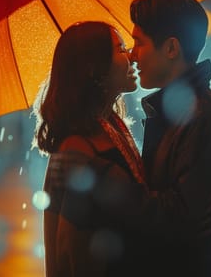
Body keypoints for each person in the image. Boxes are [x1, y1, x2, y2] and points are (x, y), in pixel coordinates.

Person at [127, 0, 211, 276]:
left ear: (170, 48)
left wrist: (112, 187)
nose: (132, 54)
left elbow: (177, 221)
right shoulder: (180, 114)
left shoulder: (204, 121)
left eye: (139, 42)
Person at [35, 21, 143, 276]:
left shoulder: (107, 128)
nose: (131, 57)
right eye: (120, 49)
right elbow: (70, 248)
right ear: (95, 70)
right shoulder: (79, 148)